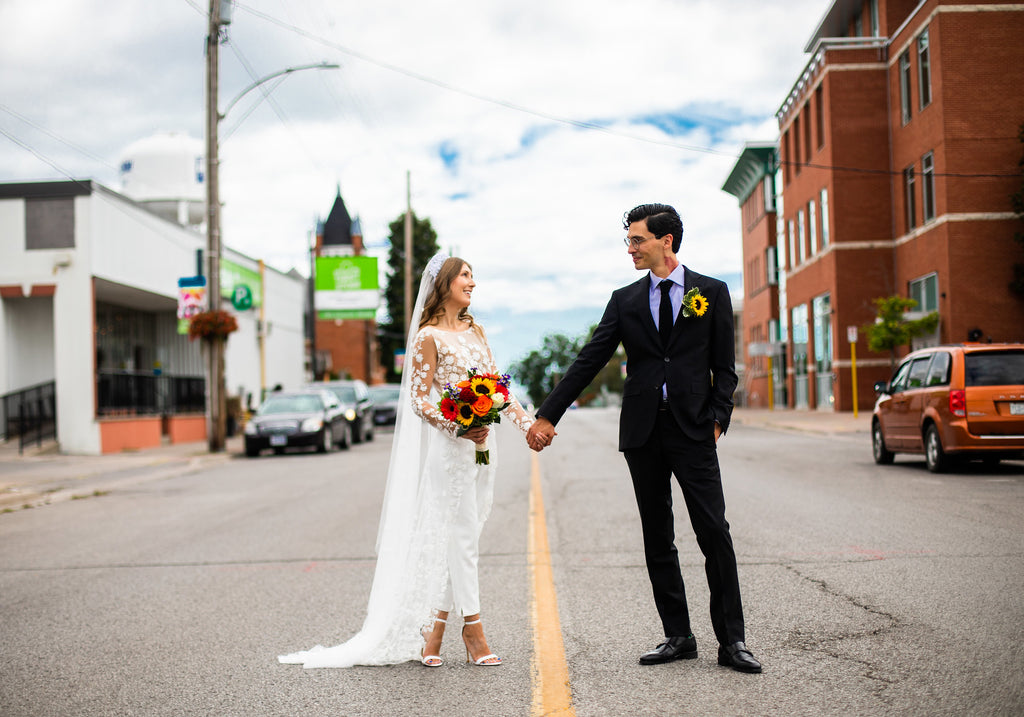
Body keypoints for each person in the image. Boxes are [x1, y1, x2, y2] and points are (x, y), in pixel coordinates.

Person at [526, 203, 761, 673]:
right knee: (658, 536)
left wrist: (717, 419)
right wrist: (548, 415)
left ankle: (732, 642)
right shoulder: (625, 299)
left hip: (694, 430)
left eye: (637, 240)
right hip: (642, 432)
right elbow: (590, 359)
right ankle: (679, 636)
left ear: (666, 241)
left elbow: (725, 369)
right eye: (628, 240)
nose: (630, 248)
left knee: (713, 532)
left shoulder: (710, 292)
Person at [278, 255, 534, 668]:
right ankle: (474, 630)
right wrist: (458, 427)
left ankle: (433, 631)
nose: (473, 282)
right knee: (464, 539)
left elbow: (500, 388)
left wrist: (529, 427)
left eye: (473, 276)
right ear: (446, 283)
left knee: (461, 539)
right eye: (466, 275)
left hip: (484, 450)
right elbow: (418, 400)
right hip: (452, 450)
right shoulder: (427, 336)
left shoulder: (476, 330)